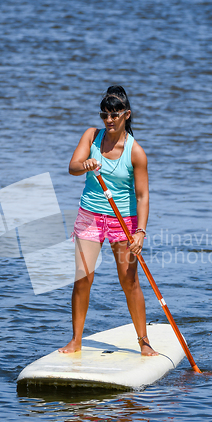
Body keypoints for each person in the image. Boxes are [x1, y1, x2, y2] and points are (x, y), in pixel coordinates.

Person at [59, 85, 158, 356]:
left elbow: (143, 195)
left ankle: (144, 341)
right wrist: (86, 165)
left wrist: (140, 232)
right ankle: (76, 340)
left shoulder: (136, 152)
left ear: (126, 115)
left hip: (123, 221)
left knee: (129, 282)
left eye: (114, 115)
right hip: (89, 215)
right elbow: (72, 167)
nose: (109, 120)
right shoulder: (92, 136)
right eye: (105, 115)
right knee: (83, 278)